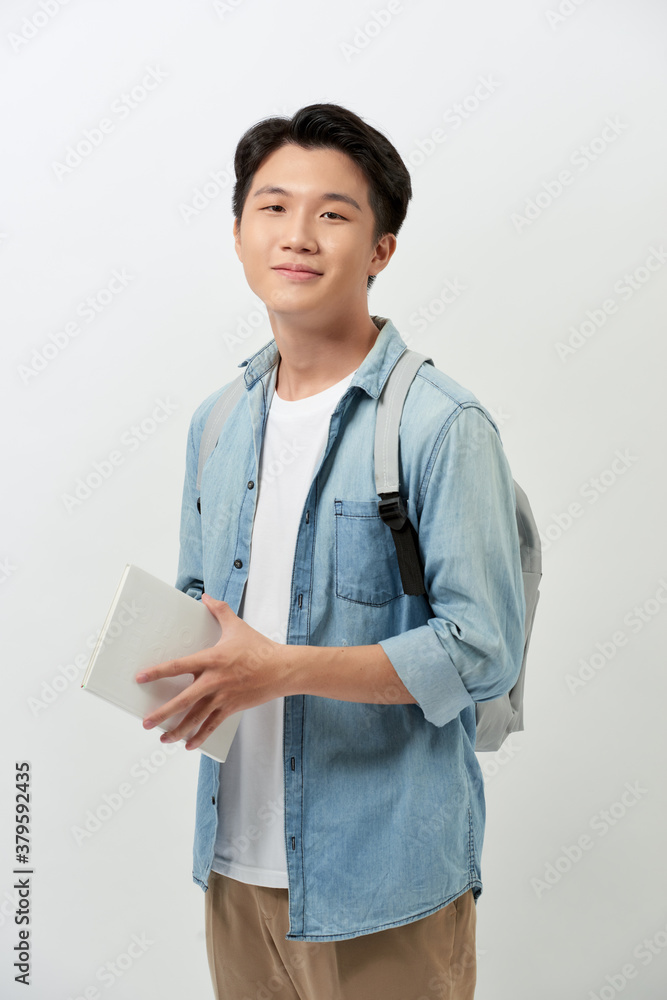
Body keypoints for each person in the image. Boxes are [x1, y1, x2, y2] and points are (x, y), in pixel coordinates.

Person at [135, 103, 526, 1000]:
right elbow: (211, 611)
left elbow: (481, 651)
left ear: (381, 249)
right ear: (238, 233)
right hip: (236, 870)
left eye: (334, 213)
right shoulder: (218, 421)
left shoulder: (440, 425)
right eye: (272, 208)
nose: (297, 235)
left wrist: (283, 669)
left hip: (385, 884)